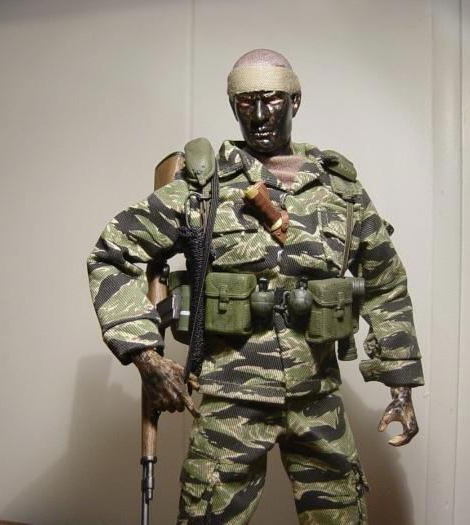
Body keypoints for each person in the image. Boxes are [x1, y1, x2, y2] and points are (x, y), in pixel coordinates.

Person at [87, 49, 423, 524]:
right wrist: (145, 356)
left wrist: (400, 382)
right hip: (230, 400)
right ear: (233, 107)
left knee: (343, 516)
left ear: (295, 101)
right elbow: (112, 254)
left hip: (317, 395)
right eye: (246, 103)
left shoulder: (340, 192)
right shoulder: (203, 189)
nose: (260, 115)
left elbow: (386, 283)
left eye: (272, 99)